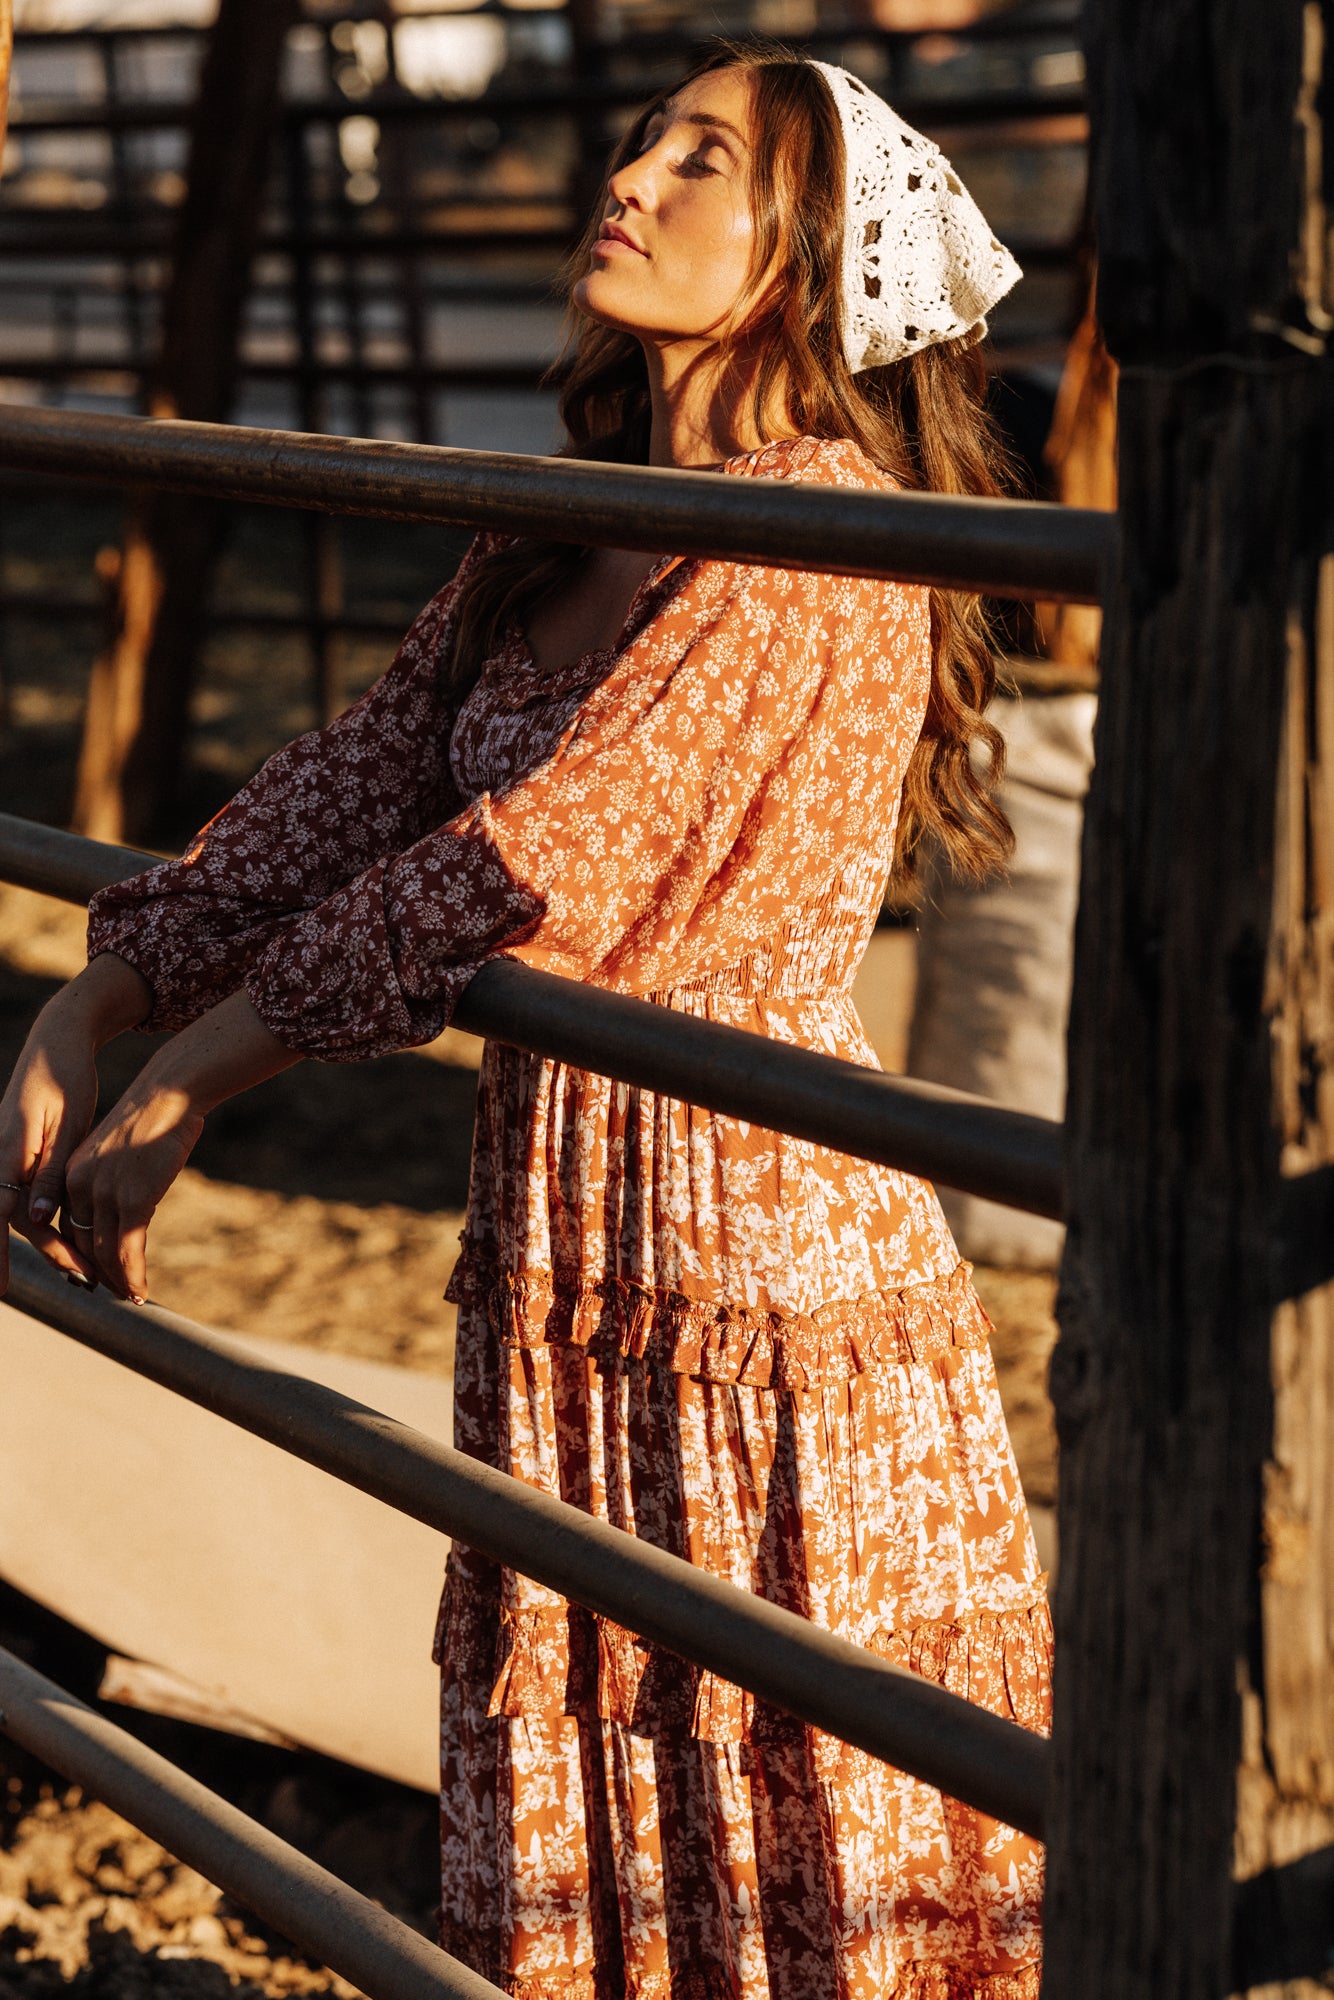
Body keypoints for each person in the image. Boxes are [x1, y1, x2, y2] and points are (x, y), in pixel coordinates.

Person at [0, 40, 1050, 2000]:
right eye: (647, 132)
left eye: (705, 157)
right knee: (607, 1692)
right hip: (566, 1198)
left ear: (809, 251)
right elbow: (358, 782)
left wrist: (207, 1072)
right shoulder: (556, 528)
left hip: (747, 1223)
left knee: (765, 1708)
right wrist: (117, 983)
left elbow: (546, 854)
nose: (635, 171)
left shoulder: (815, 531)